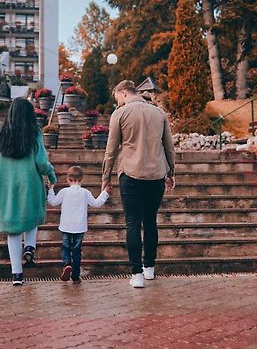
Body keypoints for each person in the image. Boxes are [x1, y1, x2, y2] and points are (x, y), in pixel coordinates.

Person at [102, 80, 176, 288]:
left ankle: (137, 274)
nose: (117, 101)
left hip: (130, 174)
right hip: (156, 174)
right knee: (150, 221)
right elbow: (169, 146)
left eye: (116, 97)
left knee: (132, 222)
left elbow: (111, 150)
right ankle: (150, 268)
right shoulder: (159, 113)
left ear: (124, 92)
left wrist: (105, 178)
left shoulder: (120, 114)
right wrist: (171, 171)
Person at [0, 97, 57, 286]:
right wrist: (51, 176)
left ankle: (17, 275)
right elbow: (40, 161)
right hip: (31, 184)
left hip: (7, 186)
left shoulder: (1, 132)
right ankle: (30, 247)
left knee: (12, 231)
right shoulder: (34, 132)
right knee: (31, 218)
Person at [47, 165, 110, 283]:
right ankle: (75, 274)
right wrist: (105, 193)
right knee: (76, 250)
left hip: (66, 226)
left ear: (68, 179)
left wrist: (50, 189)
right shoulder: (85, 192)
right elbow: (96, 203)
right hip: (80, 227)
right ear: (81, 179)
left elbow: (53, 202)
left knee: (65, 247)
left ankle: (66, 264)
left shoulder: (64, 192)